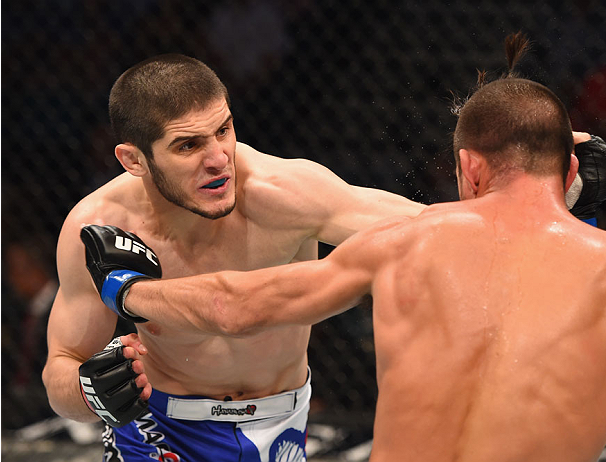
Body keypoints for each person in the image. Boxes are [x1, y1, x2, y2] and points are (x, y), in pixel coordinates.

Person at [92, 35, 606, 461]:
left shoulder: (412, 243)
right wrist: (579, 208)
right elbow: (546, 286)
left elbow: (232, 307)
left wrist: (129, 289)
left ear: (468, 169)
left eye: (223, 132)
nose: (219, 156)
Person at [42, 53, 427, 462]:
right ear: (134, 159)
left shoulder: (284, 196)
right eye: (188, 145)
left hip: (282, 424)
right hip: (159, 430)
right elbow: (60, 374)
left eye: (223, 130)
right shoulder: (100, 226)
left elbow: (438, 231)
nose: (219, 159)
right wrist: (90, 391)